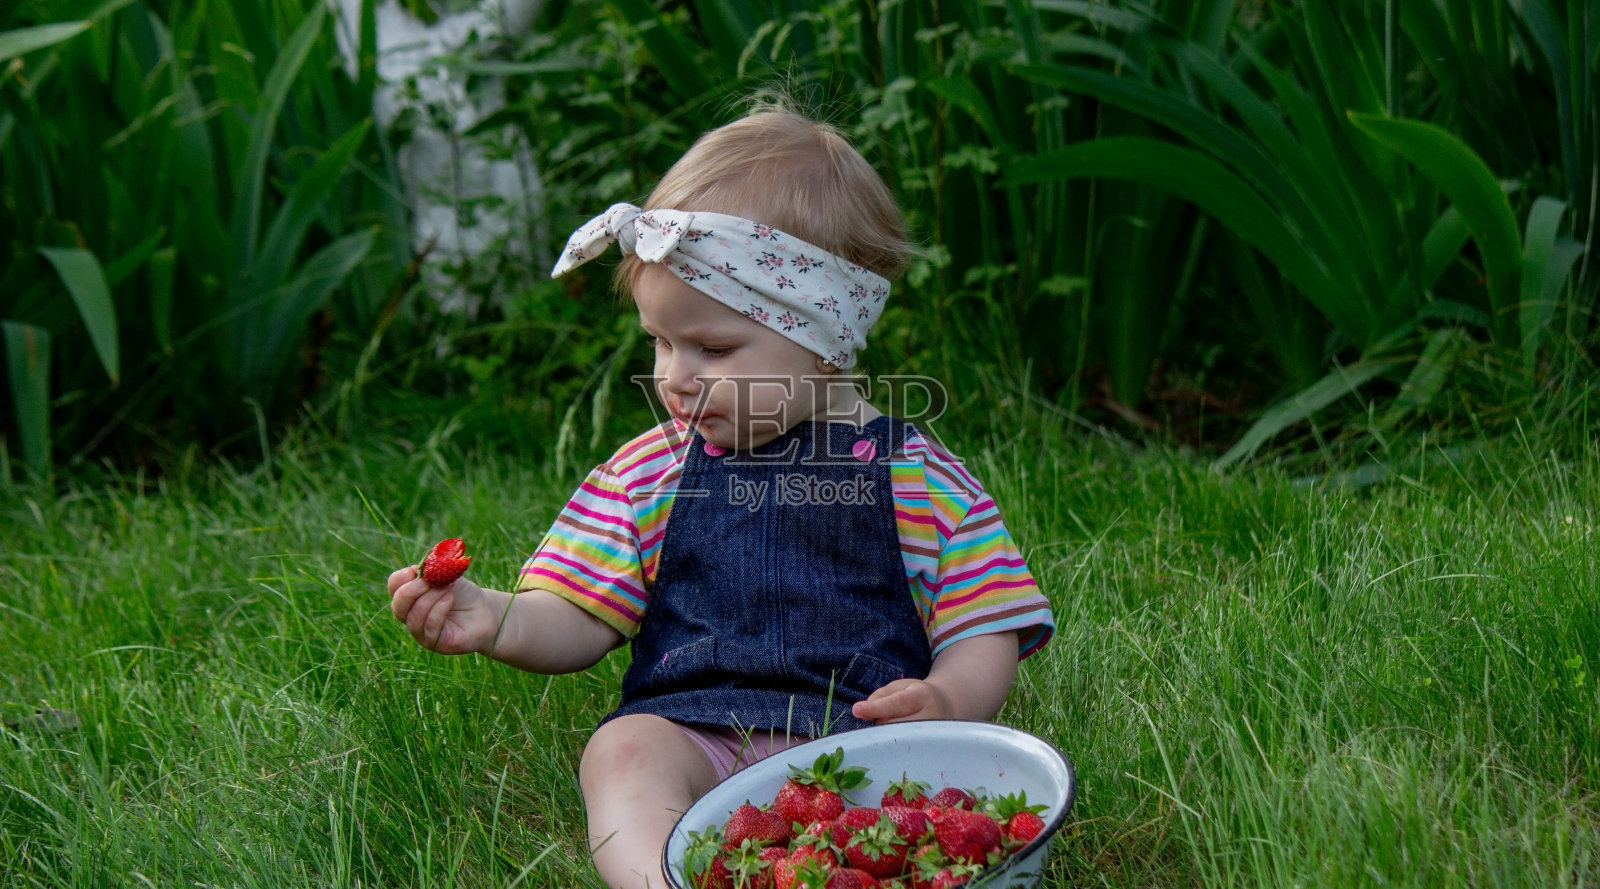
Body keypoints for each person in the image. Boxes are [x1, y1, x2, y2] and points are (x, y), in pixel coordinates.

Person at [387, 103, 1055, 889]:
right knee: (622, 750)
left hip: (869, 746)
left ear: (825, 336)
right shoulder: (650, 471)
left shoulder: (915, 475)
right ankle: (661, 878)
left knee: (944, 787)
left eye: (712, 347)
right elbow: (578, 615)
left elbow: (986, 625)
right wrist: (497, 616)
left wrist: (946, 695)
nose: (673, 375)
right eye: (661, 342)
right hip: (698, 732)